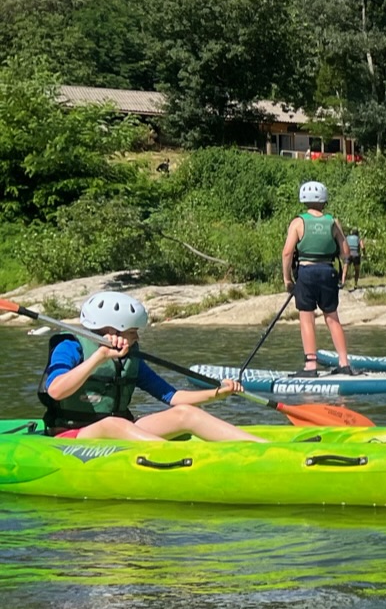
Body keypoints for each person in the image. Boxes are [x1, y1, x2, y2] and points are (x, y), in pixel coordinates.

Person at [39, 291, 260, 442]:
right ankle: (173, 459)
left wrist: (218, 393)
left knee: (186, 413)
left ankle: (263, 447)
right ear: (112, 331)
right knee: (112, 424)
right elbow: (56, 390)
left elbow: (172, 397)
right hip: (71, 434)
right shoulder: (69, 346)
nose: (137, 337)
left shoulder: (129, 358)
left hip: (121, 427)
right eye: (132, 331)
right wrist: (100, 357)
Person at [281, 180, 354, 375]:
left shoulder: (298, 222)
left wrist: (287, 280)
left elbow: (287, 253)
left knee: (307, 318)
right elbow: (345, 251)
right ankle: (344, 363)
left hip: (306, 273)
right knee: (332, 317)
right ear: (324, 200)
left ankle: (311, 366)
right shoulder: (332, 222)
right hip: (328, 272)